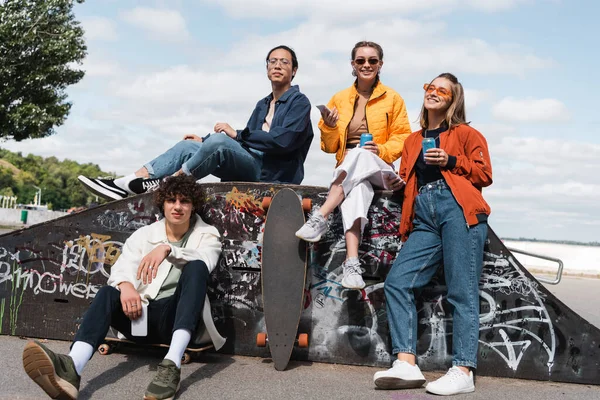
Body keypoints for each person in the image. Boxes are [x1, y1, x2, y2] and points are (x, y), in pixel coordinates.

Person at [22, 175, 226, 400]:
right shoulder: (144, 235)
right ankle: (73, 368)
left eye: (184, 201)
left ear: (193, 205)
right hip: (140, 318)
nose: (177, 207)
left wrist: (167, 249)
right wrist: (126, 285)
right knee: (109, 293)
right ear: (163, 204)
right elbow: (122, 267)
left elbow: (206, 260)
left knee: (196, 268)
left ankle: (171, 365)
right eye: (171, 200)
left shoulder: (207, 235)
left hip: (176, 320)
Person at [373, 73, 493, 395]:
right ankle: (407, 364)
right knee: (398, 282)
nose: (434, 93)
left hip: (458, 210)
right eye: (430, 87)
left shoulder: (466, 133)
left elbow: (484, 173)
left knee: (461, 291)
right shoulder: (413, 141)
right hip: (424, 216)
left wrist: (451, 160)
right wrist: (398, 183)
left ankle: (463, 369)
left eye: (443, 90)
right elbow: (406, 180)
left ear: (453, 100)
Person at [78, 45, 313, 201]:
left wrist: (235, 134)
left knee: (220, 140)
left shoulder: (300, 102)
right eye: (272, 61)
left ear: (294, 70)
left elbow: (282, 141)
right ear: (266, 68)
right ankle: (126, 183)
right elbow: (241, 144)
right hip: (252, 165)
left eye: (284, 62)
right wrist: (205, 141)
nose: (278, 65)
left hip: (274, 176)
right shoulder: (262, 104)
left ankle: (168, 183)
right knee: (188, 147)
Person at [295, 41, 411, 289]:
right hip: (350, 169)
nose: (366, 65)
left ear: (380, 64)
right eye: (360, 60)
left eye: (372, 60)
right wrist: (328, 125)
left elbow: (403, 137)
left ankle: (321, 215)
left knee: (361, 154)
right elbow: (329, 147)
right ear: (353, 65)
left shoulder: (393, 98)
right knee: (356, 192)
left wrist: (380, 149)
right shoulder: (340, 98)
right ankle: (352, 264)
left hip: (379, 165)